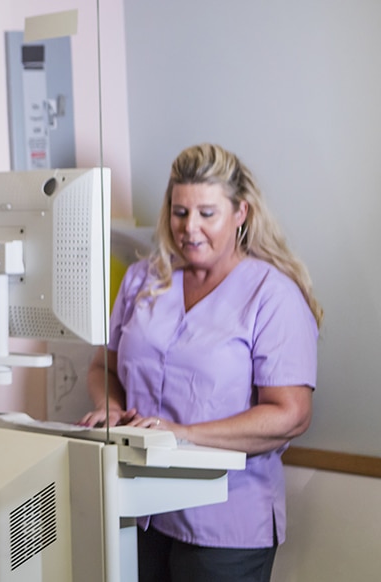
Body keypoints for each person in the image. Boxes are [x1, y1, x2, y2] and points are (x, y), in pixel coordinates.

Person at [79, 143, 322, 582]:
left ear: (240, 213)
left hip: (224, 522)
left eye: (207, 213)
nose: (190, 228)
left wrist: (183, 436)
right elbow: (103, 369)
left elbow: (291, 415)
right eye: (179, 212)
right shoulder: (144, 279)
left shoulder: (272, 295)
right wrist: (112, 411)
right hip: (141, 508)